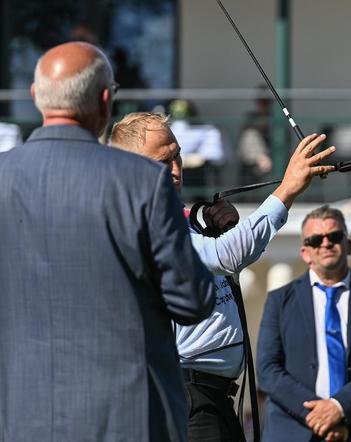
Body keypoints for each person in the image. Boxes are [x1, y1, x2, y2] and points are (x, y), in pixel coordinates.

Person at [0, 42, 216, 441]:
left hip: (22, 420)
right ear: (105, 99)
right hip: (131, 419)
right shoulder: (143, 182)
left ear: (35, 96)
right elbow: (193, 299)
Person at [110, 112, 336, 441]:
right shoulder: (144, 224)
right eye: (162, 163)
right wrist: (287, 189)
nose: (175, 170)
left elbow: (221, 251)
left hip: (212, 397)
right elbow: (226, 255)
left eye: (177, 156)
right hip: (188, 395)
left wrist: (209, 221)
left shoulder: (177, 218)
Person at [257, 205, 351, 441]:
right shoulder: (279, 301)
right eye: (315, 239)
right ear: (305, 252)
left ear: (348, 244)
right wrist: (318, 415)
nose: (325, 243)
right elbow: (267, 370)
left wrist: (339, 408)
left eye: (334, 236)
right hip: (292, 430)